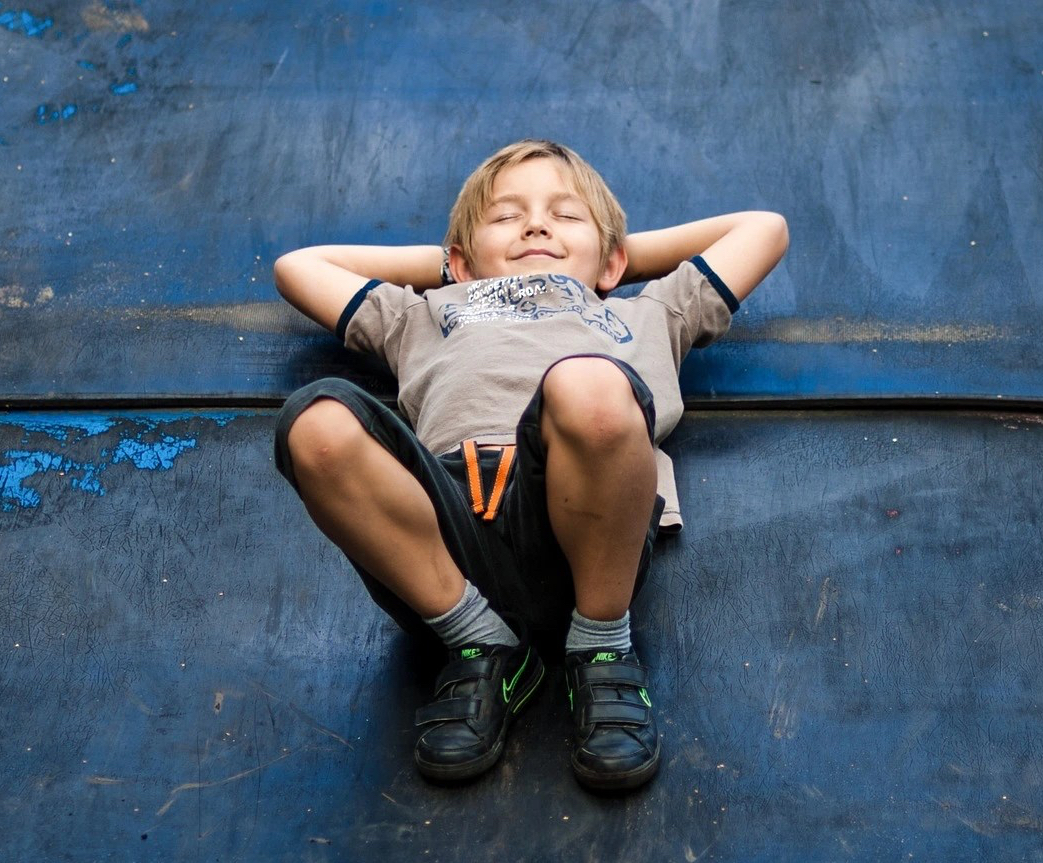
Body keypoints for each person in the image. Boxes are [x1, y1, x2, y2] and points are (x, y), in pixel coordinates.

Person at [273, 139, 788, 791]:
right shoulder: (425, 314)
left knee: (589, 384)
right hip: (444, 541)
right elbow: (301, 267)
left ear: (615, 261)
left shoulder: (648, 311)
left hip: (584, 535)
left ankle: (601, 645)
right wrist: (460, 268)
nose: (537, 225)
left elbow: (762, 231)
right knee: (315, 421)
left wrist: (611, 257)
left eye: (564, 216)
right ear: (458, 261)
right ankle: (480, 644)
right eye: (507, 216)